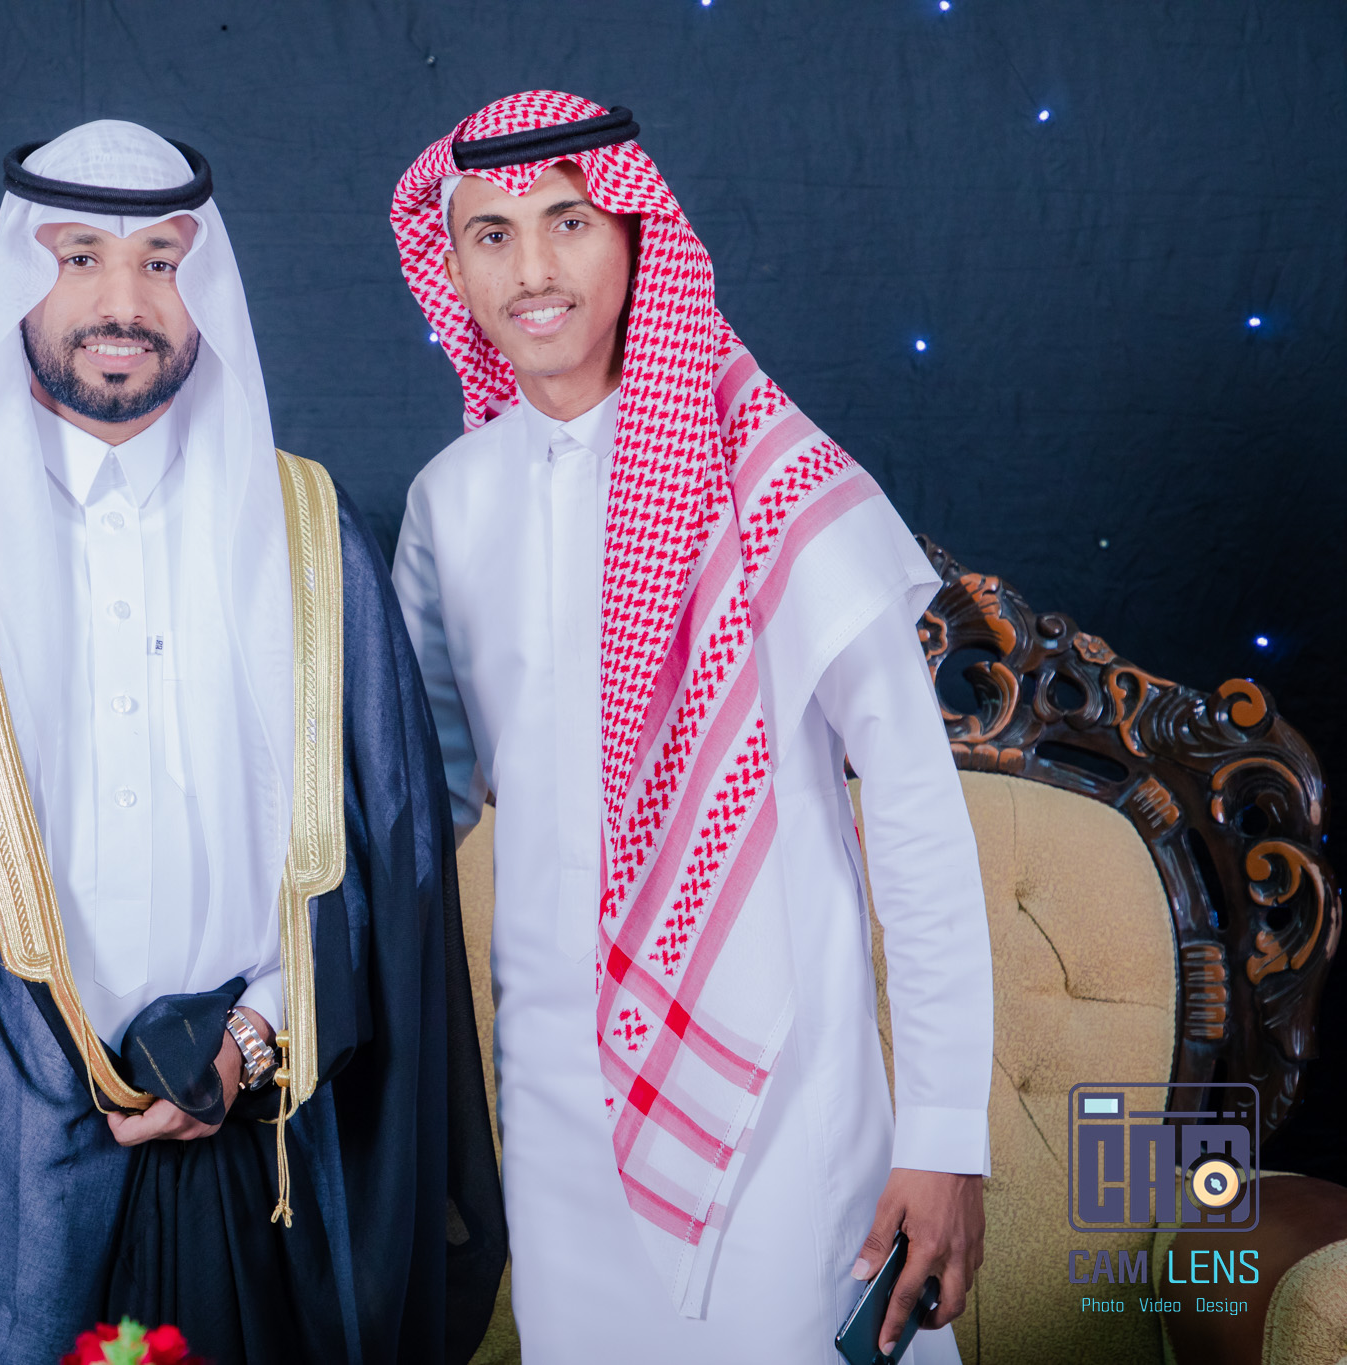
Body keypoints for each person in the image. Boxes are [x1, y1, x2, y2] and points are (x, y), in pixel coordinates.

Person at [0, 119, 504, 1365]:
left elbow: (386, 854)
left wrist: (254, 1034)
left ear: (207, 286)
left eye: (161, 262)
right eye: (79, 257)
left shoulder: (306, 531)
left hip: (251, 1153)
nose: (122, 302)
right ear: (20, 278)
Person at [388, 92, 993, 1362]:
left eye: (567, 221)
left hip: (779, 1088)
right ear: (450, 267)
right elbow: (411, 813)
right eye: (490, 234)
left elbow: (915, 807)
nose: (531, 269)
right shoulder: (449, 504)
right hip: (554, 1102)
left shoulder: (773, 476)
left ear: (633, 235)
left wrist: (942, 1135)